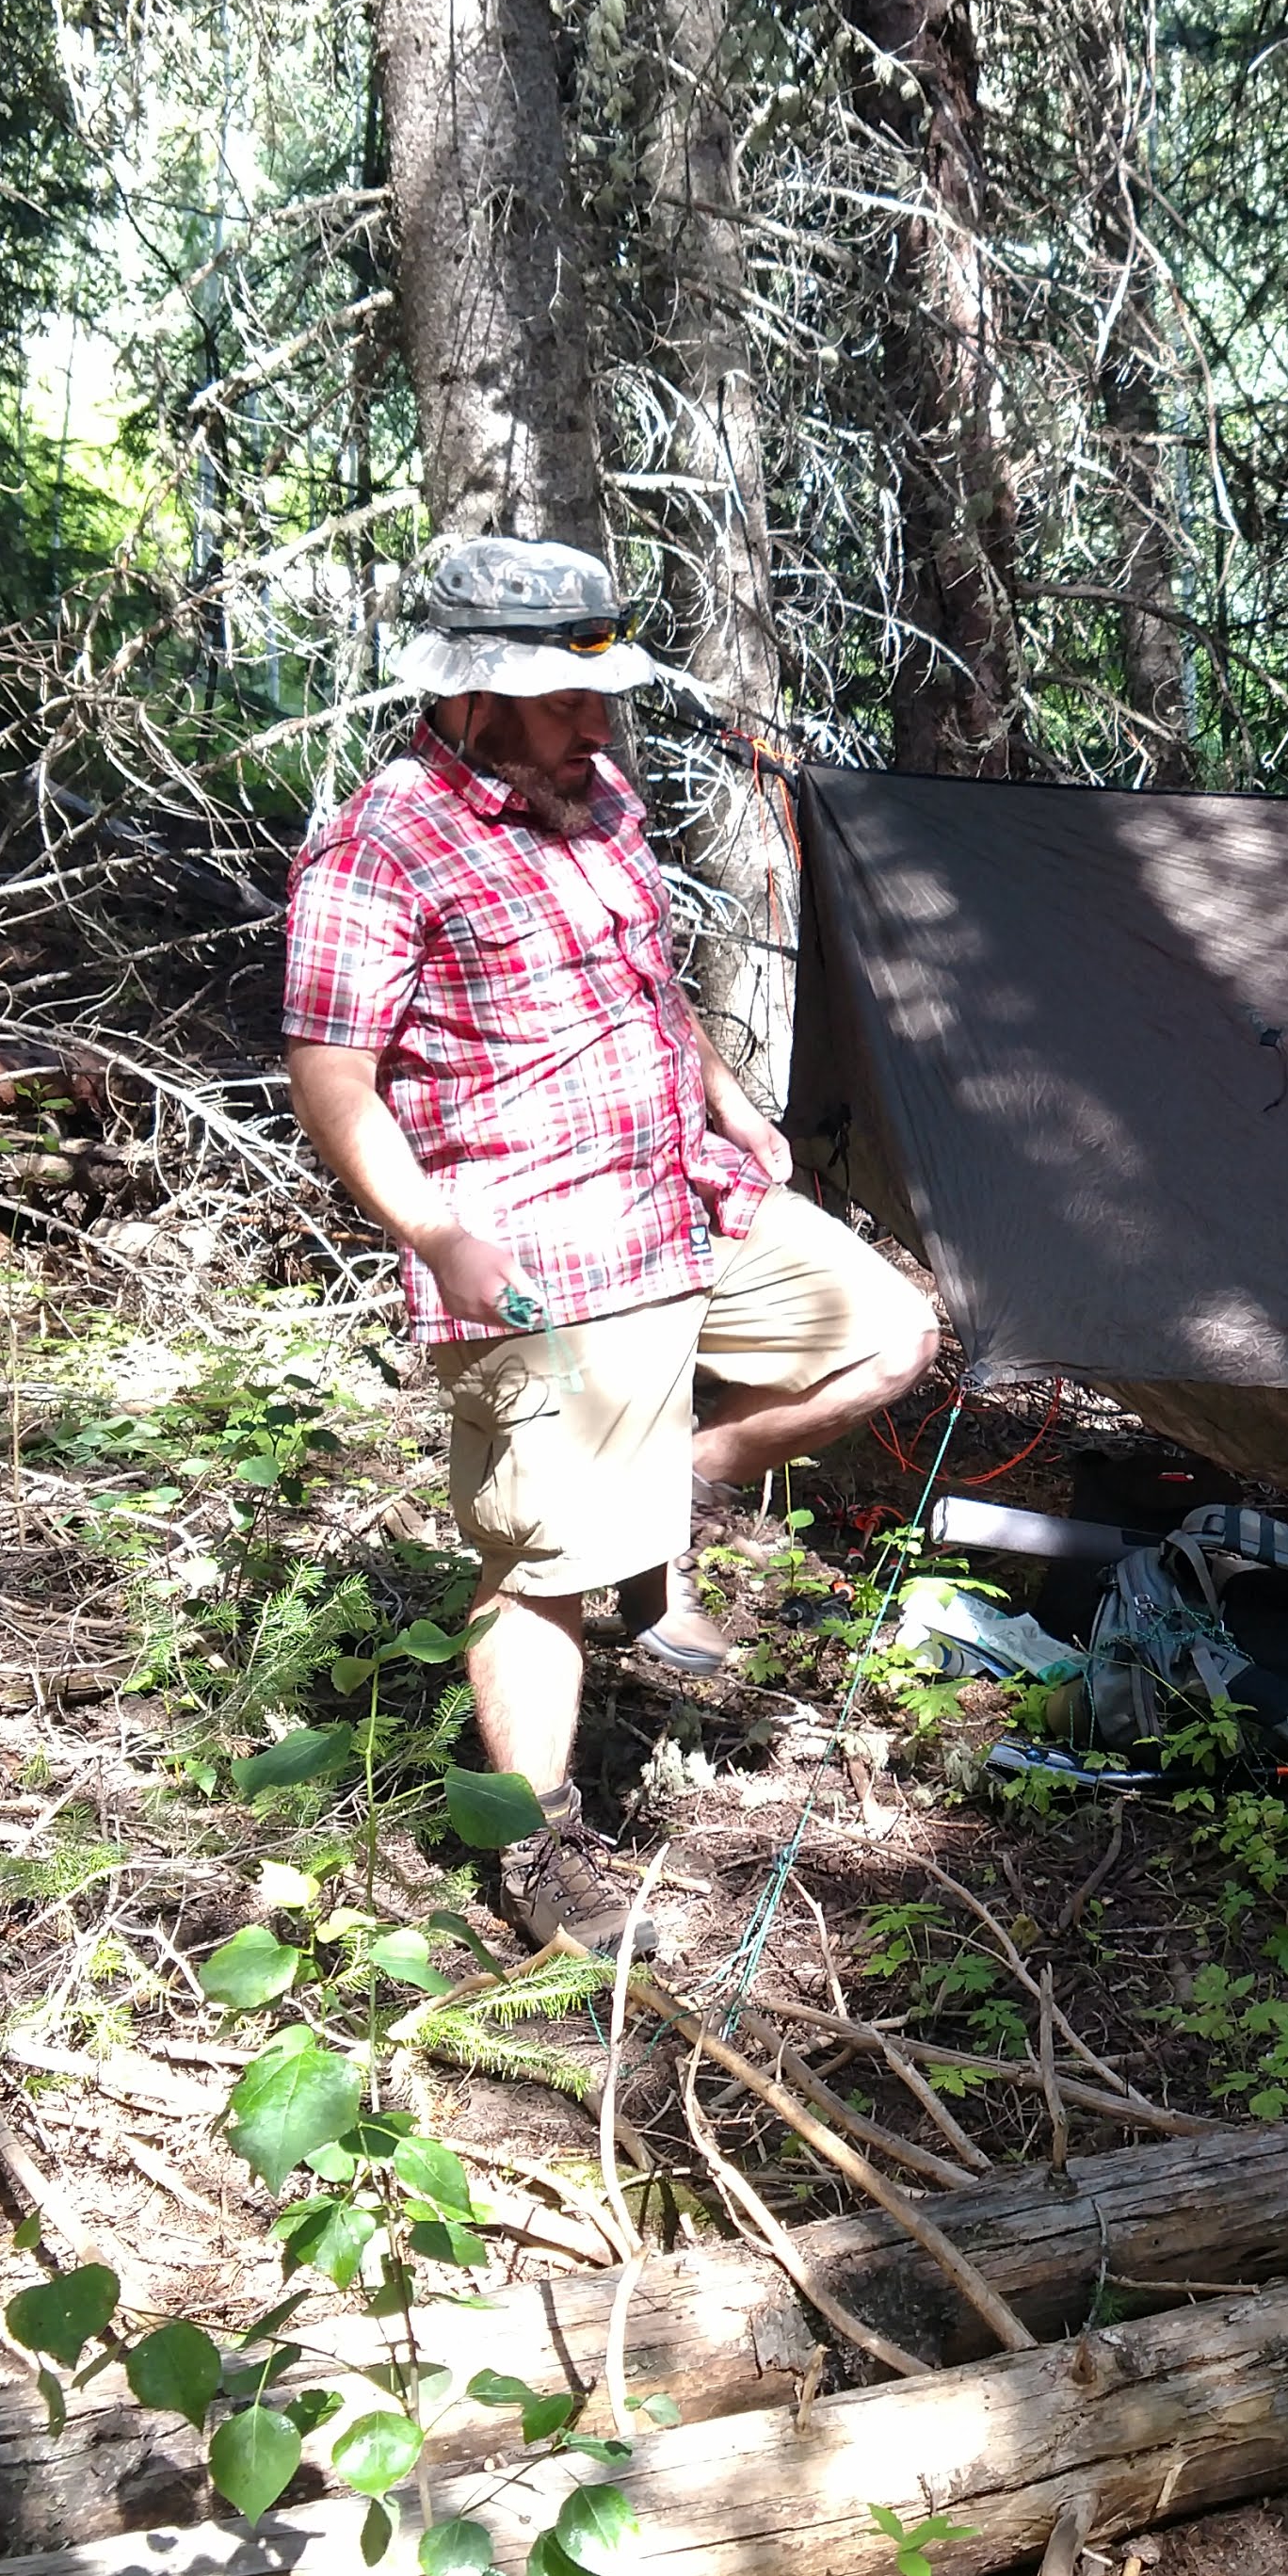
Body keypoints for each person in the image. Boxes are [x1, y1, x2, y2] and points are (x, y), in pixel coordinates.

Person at [281, 533, 934, 1942]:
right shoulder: (380, 841)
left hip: (679, 1194)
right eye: (564, 698)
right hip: (535, 1250)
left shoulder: (599, 792)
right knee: (543, 1565)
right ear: (470, 696)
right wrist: (433, 1231)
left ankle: (676, 1492)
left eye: (602, 695)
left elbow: (647, 977)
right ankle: (534, 1849)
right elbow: (331, 1076)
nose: (598, 722)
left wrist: (726, 1097)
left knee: (888, 1333)